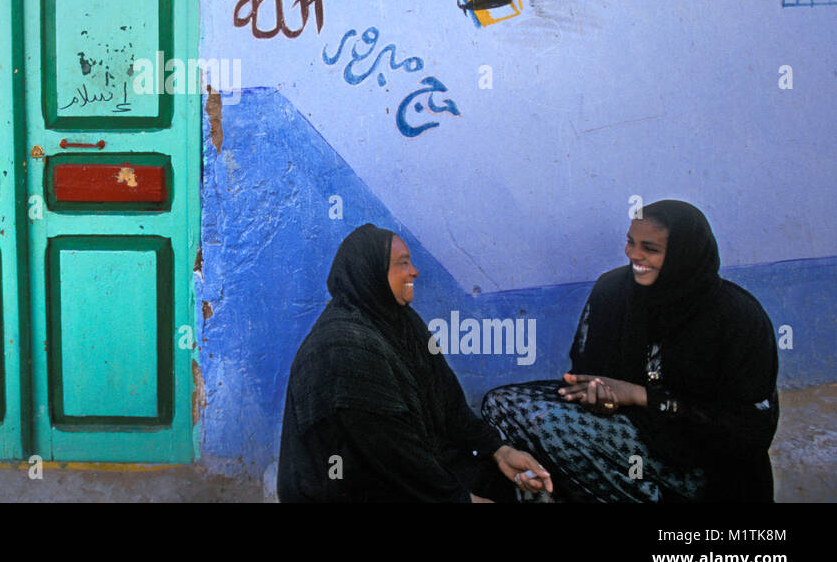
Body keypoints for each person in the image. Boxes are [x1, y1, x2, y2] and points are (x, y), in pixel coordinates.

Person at [481, 200, 779, 502]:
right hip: (622, 425)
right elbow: (587, 371)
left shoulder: (737, 318)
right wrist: (599, 399)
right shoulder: (613, 290)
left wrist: (640, 396)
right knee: (500, 404)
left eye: (649, 248)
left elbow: (749, 431)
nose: (634, 255)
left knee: (551, 426)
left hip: (696, 460)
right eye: (630, 242)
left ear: (683, 254)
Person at [278, 223, 552, 502]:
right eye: (402, 264)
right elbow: (391, 452)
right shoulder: (343, 346)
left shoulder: (402, 322)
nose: (414, 272)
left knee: (508, 483)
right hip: (348, 487)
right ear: (369, 272)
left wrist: (500, 451)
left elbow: (450, 404)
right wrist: (463, 500)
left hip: (404, 470)